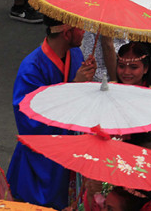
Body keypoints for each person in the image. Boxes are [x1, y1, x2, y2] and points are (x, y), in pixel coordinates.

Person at [6, 16, 96, 207]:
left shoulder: (76, 56)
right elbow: (29, 121)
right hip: (39, 158)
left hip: (69, 152)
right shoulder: (31, 68)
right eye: (80, 28)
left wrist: (86, 83)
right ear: (66, 33)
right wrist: (74, 86)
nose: (84, 32)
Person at [114, 42, 151, 164]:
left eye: (133, 67)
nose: (126, 72)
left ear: (145, 68)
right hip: (108, 157)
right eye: (121, 66)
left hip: (140, 161)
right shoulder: (108, 91)